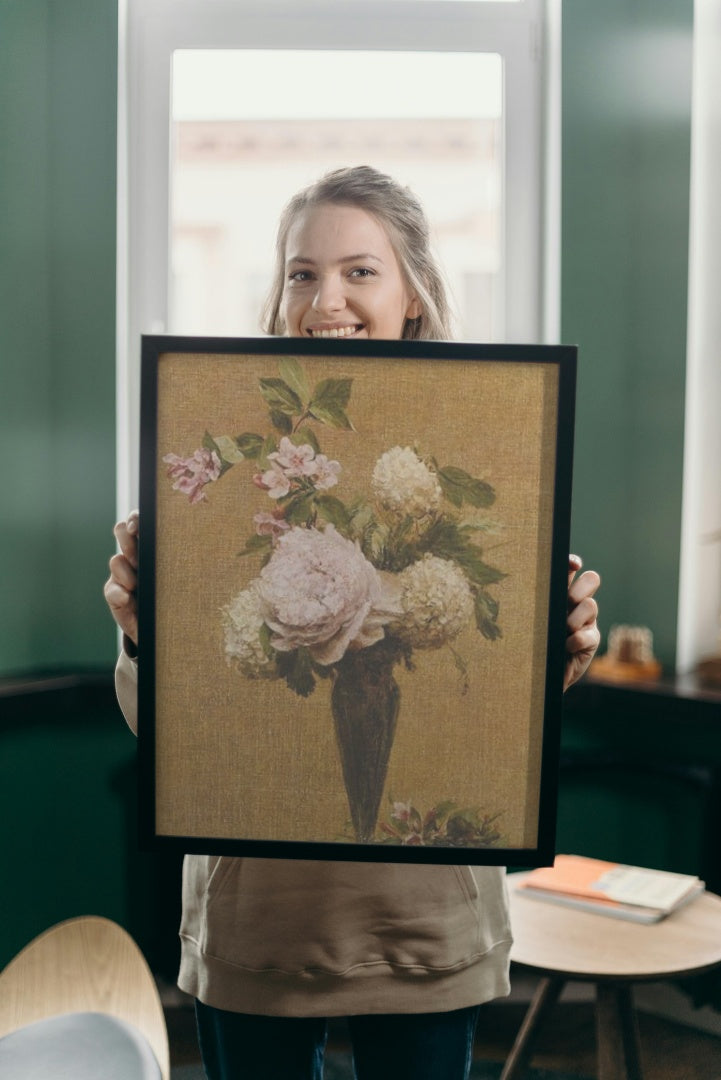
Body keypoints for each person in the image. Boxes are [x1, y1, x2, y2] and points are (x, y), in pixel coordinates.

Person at [105, 166, 601, 1080]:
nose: (324, 298)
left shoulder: (489, 442)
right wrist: (144, 636)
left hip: (423, 917)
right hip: (258, 919)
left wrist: (557, 650)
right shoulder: (216, 458)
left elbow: (489, 720)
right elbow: (173, 730)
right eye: (301, 272)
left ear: (412, 292)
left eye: (358, 271)